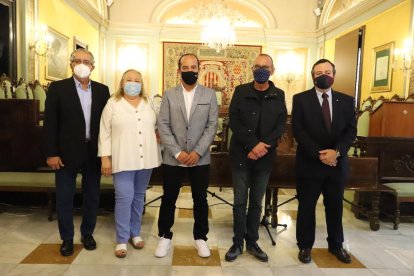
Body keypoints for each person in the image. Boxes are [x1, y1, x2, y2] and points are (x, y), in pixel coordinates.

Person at [43, 48, 110, 256]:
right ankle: (67, 238)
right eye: (78, 60)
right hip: (65, 154)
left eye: (87, 61)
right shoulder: (57, 88)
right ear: (71, 64)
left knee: (92, 197)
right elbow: (50, 124)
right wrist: (51, 152)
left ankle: (87, 233)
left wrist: (107, 153)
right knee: (64, 197)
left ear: (93, 66)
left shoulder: (102, 90)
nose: (82, 64)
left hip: (93, 152)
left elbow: (107, 124)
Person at [291, 59, 356, 264]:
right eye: (319, 72)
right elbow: (298, 130)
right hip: (310, 163)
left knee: (335, 206)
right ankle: (305, 247)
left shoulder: (346, 101)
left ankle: (336, 245)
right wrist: (320, 154)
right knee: (306, 207)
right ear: (313, 76)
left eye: (327, 71)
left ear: (334, 75)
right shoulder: (300, 99)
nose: (323, 75)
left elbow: (350, 130)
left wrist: (336, 152)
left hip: (337, 164)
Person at [154, 53, 218, 258]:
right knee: (169, 198)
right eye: (185, 67)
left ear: (199, 69)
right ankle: (165, 236)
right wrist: (178, 152)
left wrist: (198, 151)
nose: (190, 70)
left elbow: (212, 125)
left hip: (200, 159)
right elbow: (162, 125)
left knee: (200, 199)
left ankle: (201, 238)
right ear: (179, 70)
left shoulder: (209, 95)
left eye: (193, 67)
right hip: (173, 157)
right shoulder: (169, 94)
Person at [225, 53, 287, 262]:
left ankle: (252, 242)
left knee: (257, 203)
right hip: (242, 154)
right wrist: (253, 145)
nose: (261, 69)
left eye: (266, 67)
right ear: (252, 69)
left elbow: (280, 125)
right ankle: (237, 243)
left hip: (265, 157)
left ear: (272, 70)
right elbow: (234, 121)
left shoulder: (279, 94)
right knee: (240, 202)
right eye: (258, 66)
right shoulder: (241, 91)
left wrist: (263, 147)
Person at [98, 69, 161, 258]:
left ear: (142, 84)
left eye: (137, 80)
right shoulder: (112, 104)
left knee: (138, 197)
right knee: (124, 198)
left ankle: (135, 233)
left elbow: (157, 124)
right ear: (122, 83)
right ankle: (122, 239)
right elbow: (104, 132)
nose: (133, 83)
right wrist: (105, 157)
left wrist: (159, 133)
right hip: (123, 158)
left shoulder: (148, 102)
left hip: (146, 158)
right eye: (129, 80)